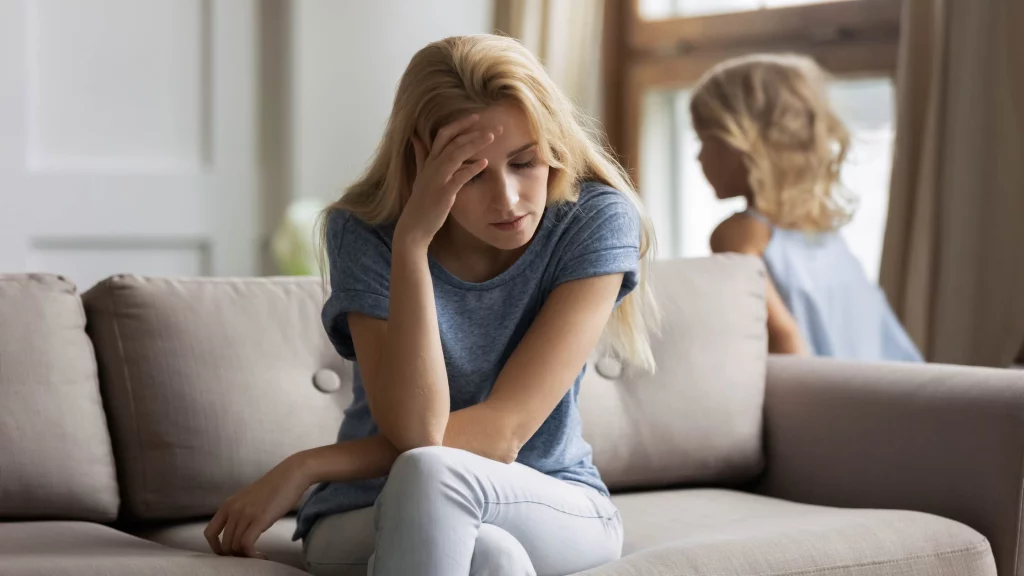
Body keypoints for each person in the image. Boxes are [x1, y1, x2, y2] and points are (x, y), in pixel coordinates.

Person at [203, 34, 660, 576]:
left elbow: (501, 432)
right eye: (470, 172)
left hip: (551, 501)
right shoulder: (364, 232)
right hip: (363, 510)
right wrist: (412, 242)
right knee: (491, 555)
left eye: (525, 162)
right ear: (420, 164)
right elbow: (419, 427)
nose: (509, 200)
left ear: (554, 146)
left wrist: (310, 465)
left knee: (431, 474)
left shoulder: (593, 219)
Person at [691, 53, 922, 362]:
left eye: (704, 140)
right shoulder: (823, 231)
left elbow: (782, 338)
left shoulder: (741, 234)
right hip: (880, 393)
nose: (698, 157)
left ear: (740, 144)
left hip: (821, 399)